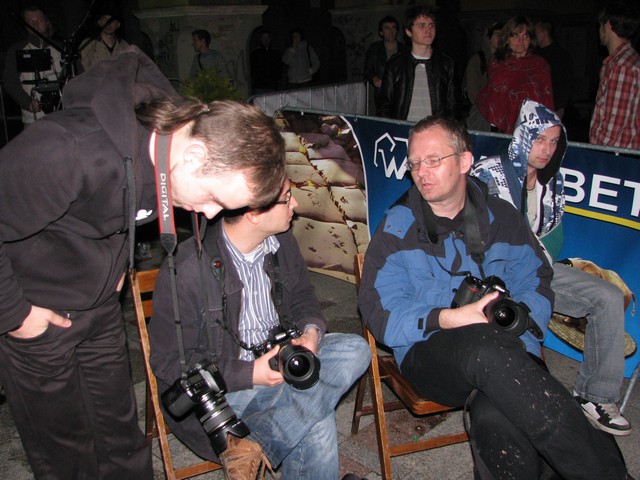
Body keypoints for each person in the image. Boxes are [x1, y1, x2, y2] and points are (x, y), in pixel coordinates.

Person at [0, 46, 286, 479]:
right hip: (37, 314)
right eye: (213, 198)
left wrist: (116, 267)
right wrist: (16, 315)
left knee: (123, 440)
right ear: (194, 155)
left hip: (99, 307)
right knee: (67, 455)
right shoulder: (69, 148)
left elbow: (111, 211)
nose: (210, 214)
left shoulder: (171, 158)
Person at [358, 115, 631, 479]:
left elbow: (538, 280)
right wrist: (452, 317)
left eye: (433, 160)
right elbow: (380, 315)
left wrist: (520, 317)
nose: (421, 172)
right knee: (485, 346)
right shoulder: (397, 227)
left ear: (465, 161)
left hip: (509, 350)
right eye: (415, 163)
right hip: (430, 353)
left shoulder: (502, 217)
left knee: (495, 417)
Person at [148, 178, 371, 479]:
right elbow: (170, 362)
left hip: (284, 360)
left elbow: (304, 297)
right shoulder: (187, 268)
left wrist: (310, 333)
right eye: (287, 198)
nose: (295, 204)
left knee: (356, 348)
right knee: (316, 420)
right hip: (225, 390)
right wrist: (251, 373)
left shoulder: (282, 242)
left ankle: (250, 444)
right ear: (254, 213)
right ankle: (264, 432)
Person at [471, 99, 631, 436]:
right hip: (492, 272)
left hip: (539, 268)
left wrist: (539, 268)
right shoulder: (488, 172)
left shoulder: (553, 182)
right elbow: (472, 234)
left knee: (609, 296)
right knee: (517, 317)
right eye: (540, 139)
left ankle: (596, 396)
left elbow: (553, 238)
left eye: (554, 141)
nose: (546, 149)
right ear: (523, 136)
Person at [377, 5, 458, 121]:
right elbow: (385, 106)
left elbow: (452, 106)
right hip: (404, 129)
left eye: (431, 25)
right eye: (421, 25)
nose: (428, 30)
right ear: (408, 31)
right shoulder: (395, 64)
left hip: (434, 129)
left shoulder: (446, 64)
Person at [476, 16, 554, 134]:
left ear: (531, 39)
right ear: (507, 38)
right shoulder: (497, 63)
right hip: (499, 126)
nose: (520, 41)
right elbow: (493, 94)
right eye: (515, 35)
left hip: (532, 128)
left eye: (525, 36)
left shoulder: (540, 65)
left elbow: (546, 98)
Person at [589, 0, 640, 150]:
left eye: (600, 25)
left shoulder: (621, 66)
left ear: (608, 25)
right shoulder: (629, 58)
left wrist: (597, 153)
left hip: (616, 156)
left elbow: (613, 128)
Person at [2, 4, 63, 126]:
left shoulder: (61, 48)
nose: (35, 24)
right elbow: (9, 81)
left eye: (39, 20)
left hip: (62, 117)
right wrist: (28, 103)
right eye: (31, 21)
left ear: (47, 22)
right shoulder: (16, 50)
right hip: (34, 120)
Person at [363, 15, 409, 114]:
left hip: (400, 91)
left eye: (393, 28)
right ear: (381, 32)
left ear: (397, 31)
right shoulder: (375, 49)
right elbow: (368, 69)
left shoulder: (404, 50)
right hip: (381, 92)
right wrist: (374, 78)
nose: (390, 31)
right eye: (387, 28)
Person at [464, 22, 502, 131]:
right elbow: (473, 90)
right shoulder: (478, 60)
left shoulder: (507, 60)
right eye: (497, 34)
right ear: (489, 37)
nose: (501, 38)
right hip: (482, 115)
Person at [534, 20, 574, 119]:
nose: (534, 37)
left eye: (536, 33)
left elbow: (565, 83)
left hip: (554, 107)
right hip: (538, 106)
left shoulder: (560, 56)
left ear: (544, 33)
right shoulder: (536, 55)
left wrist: (559, 107)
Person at [80, 4, 130, 72]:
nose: (108, 23)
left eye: (112, 20)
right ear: (99, 22)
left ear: (118, 24)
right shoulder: (88, 45)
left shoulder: (124, 46)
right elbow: (82, 71)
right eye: (105, 19)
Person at [250, 29, 283, 94]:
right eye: (264, 37)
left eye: (267, 37)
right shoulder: (255, 53)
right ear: (260, 39)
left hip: (272, 85)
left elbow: (279, 67)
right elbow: (253, 68)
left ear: (270, 39)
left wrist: (277, 79)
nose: (266, 39)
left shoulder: (275, 53)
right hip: (259, 85)